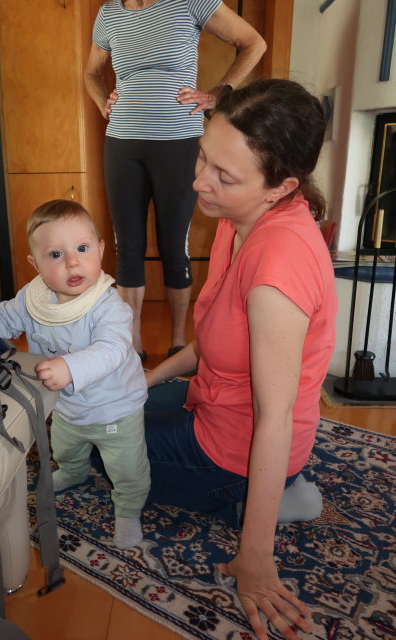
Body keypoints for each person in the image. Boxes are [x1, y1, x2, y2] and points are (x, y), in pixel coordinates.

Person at [143, 79, 338, 640]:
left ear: (282, 188)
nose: (198, 180)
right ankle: (276, 487)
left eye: (223, 176)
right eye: (204, 156)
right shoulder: (236, 219)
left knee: (105, 447)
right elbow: (213, 340)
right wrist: (147, 378)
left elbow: (273, 417)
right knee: (112, 405)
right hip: (217, 397)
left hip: (236, 445)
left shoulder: (279, 266)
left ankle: (259, 499)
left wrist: (255, 558)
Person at [84, 0, 266, 361]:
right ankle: (132, 345)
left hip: (178, 142)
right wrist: (103, 101)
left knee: (174, 248)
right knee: (128, 248)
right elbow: (91, 72)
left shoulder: (190, 3)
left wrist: (219, 93)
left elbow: (253, 43)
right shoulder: (108, 14)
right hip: (123, 143)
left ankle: (178, 341)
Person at [0, 199, 150, 550]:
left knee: (127, 467)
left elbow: (112, 349)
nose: (72, 261)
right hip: (67, 407)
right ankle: (75, 471)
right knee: (65, 446)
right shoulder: (32, 299)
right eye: (55, 255)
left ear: (100, 249)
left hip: (115, 409)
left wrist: (70, 367)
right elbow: (2, 321)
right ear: (35, 264)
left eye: (82, 248)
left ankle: (128, 509)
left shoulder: (108, 305)